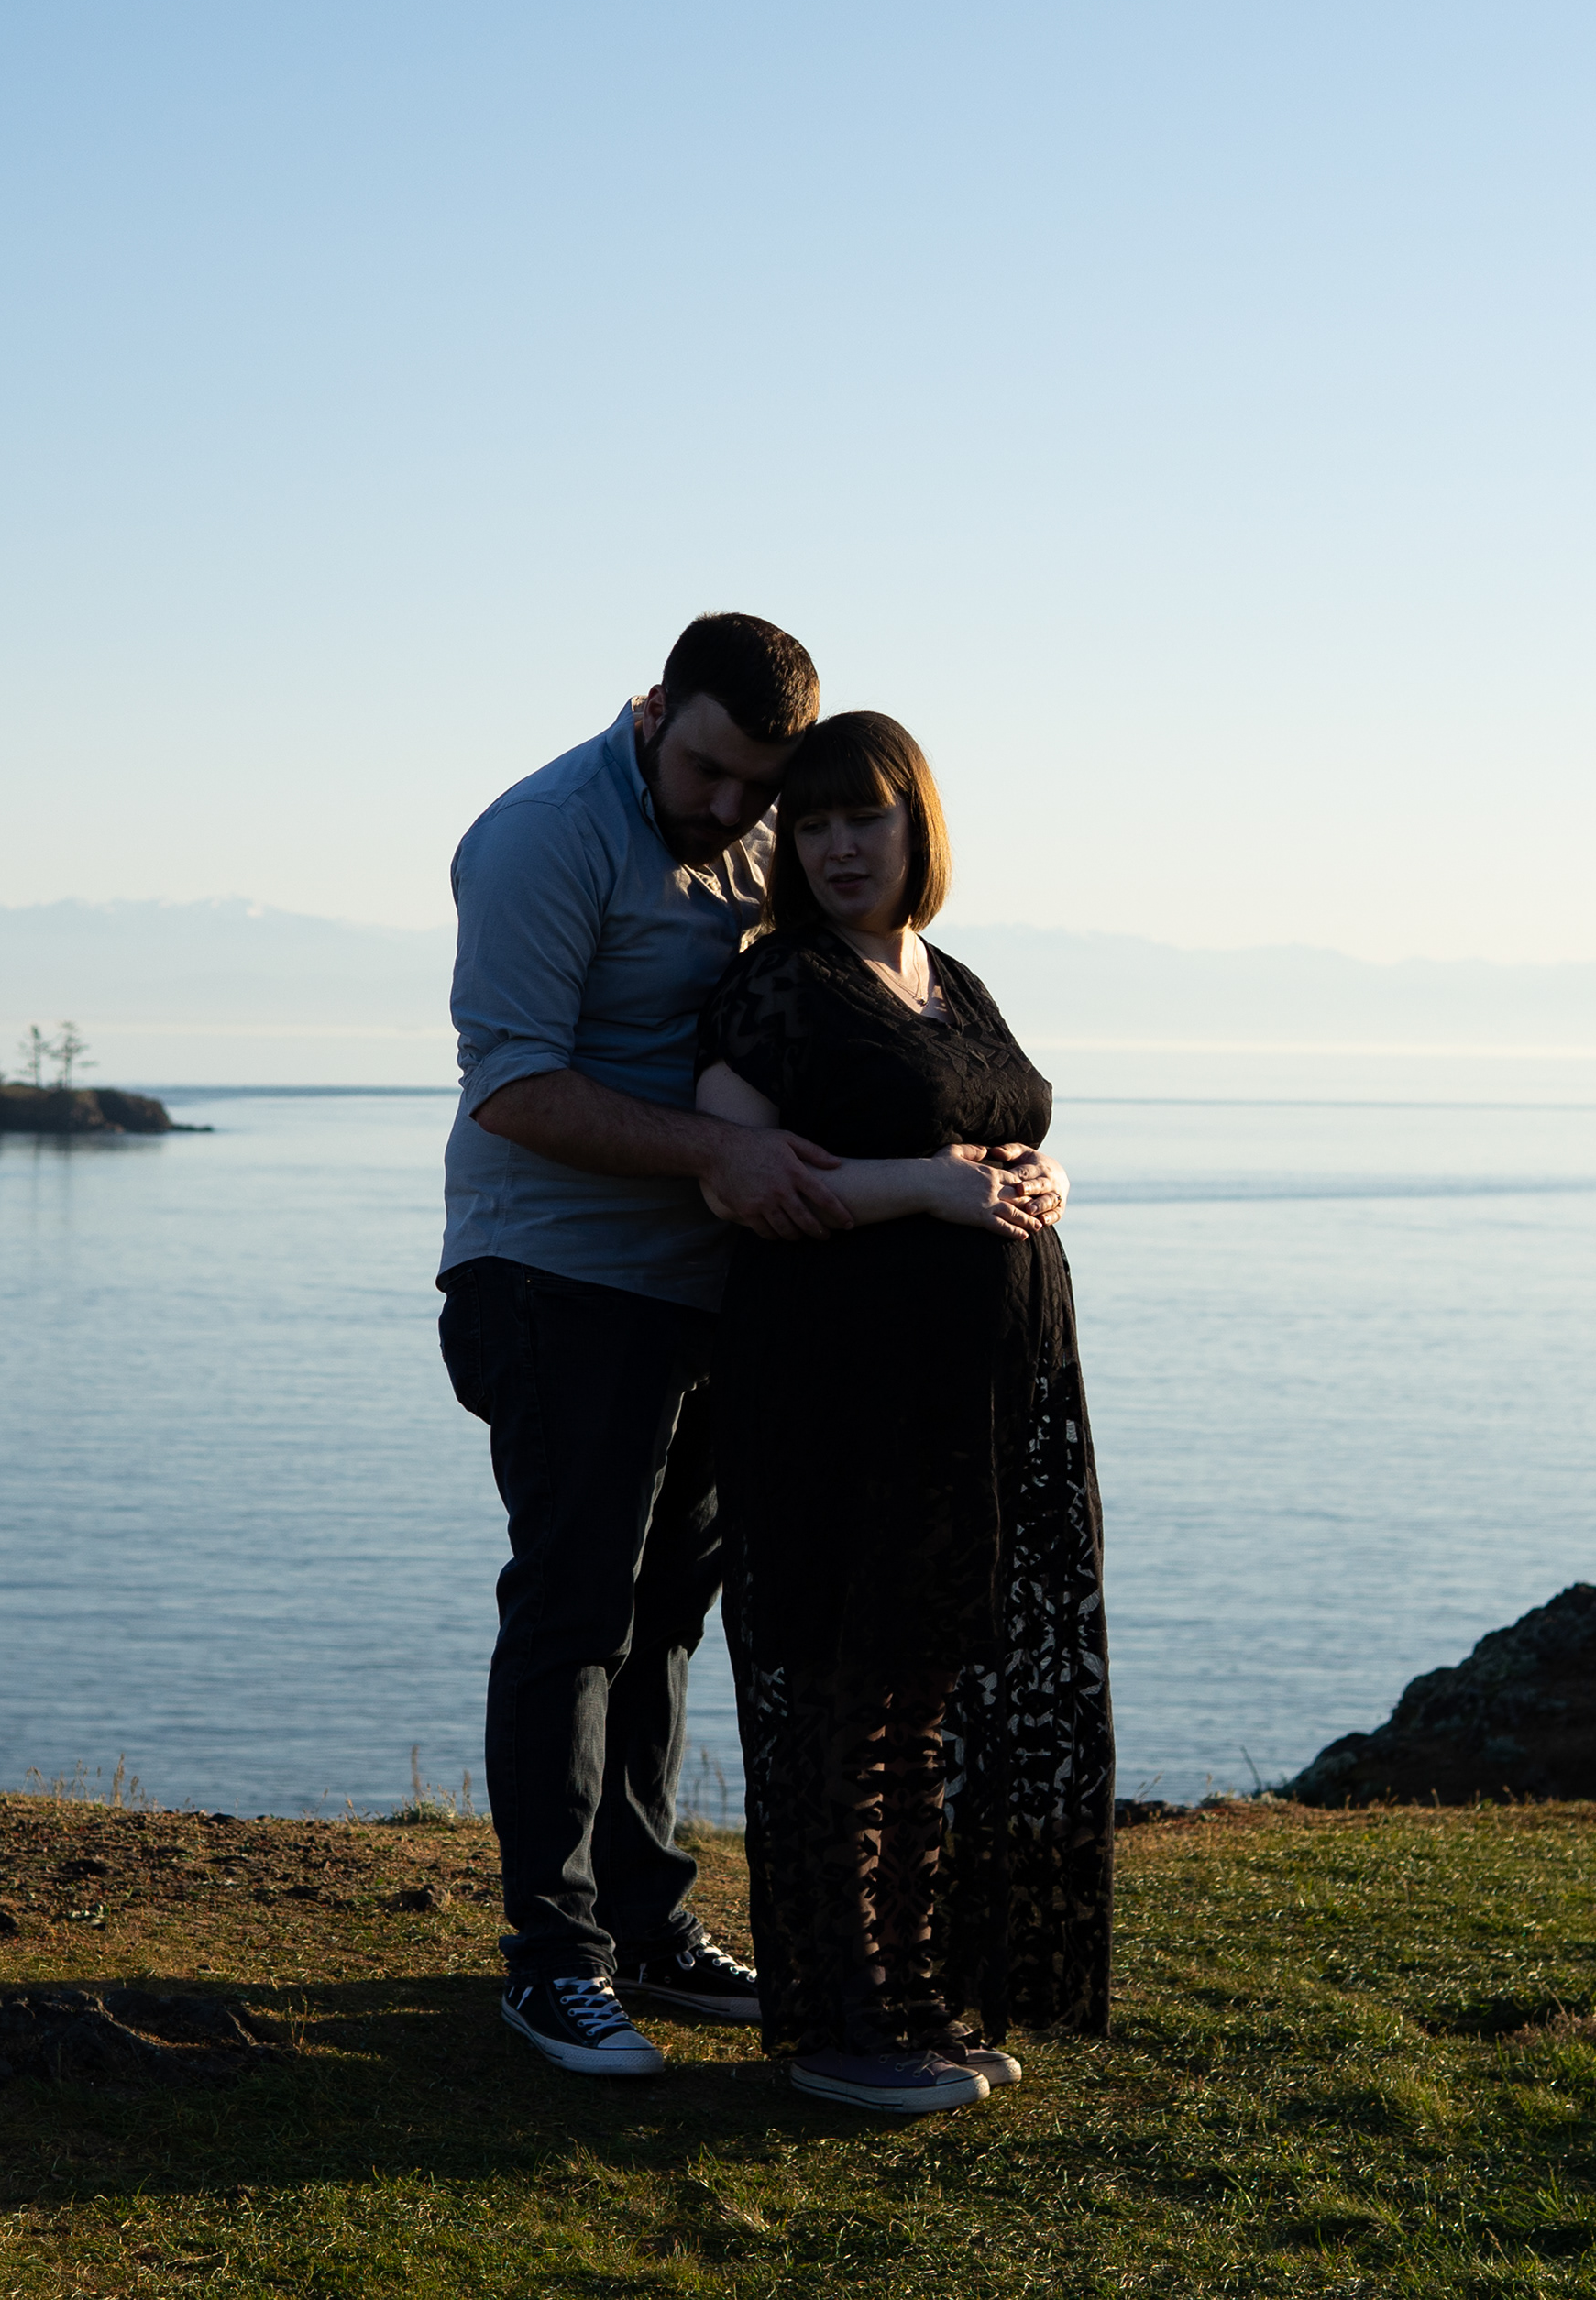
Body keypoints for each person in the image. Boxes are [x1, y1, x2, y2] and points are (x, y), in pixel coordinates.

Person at [438, 613, 885, 2077]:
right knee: (574, 1611)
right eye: (707, 771)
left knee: (668, 1619)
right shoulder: (542, 837)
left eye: (761, 784)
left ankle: (645, 1926)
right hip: (551, 1276)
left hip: (707, 1289)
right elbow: (515, 1086)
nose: (733, 808)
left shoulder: (756, 835)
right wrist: (716, 1154)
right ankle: (553, 1963)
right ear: (651, 708)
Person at [692, 710, 1114, 2116]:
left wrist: (1042, 1179)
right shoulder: (780, 986)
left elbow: (1010, 1125)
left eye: (861, 818)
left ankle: (914, 1994)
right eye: (810, 826)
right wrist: (932, 1186)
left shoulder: (952, 980)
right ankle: (843, 2025)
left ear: (914, 823)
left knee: (921, 1695)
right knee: (847, 1692)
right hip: (837, 1389)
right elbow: (734, 1173)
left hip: (968, 1397)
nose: (837, 848)